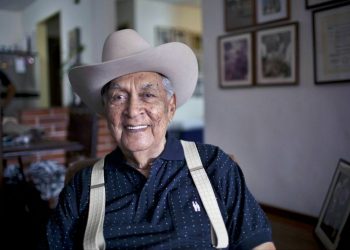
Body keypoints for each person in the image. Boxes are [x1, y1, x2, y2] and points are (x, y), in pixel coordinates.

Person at [44, 29, 275, 249]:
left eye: (148, 94)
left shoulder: (215, 165)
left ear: (170, 106)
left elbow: (260, 244)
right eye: (118, 97)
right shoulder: (82, 186)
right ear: (105, 110)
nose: (133, 110)